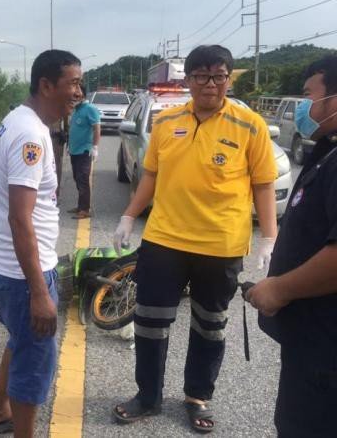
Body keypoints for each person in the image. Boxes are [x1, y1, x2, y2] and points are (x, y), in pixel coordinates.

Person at [111, 45, 278, 433]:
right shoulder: (167, 123)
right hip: (165, 239)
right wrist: (128, 215)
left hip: (220, 246)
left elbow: (264, 185)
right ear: (187, 81)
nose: (210, 85)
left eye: (219, 76)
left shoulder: (249, 124)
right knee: (150, 322)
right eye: (201, 76)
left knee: (210, 325)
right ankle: (147, 396)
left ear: (229, 79)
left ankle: (198, 396)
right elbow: (150, 175)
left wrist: (270, 237)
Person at [0, 50, 83, 438]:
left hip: (14, 271)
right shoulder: (30, 135)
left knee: (21, 344)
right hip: (26, 276)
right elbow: (19, 218)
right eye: (72, 82)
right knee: (35, 362)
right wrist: (40, 291)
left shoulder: (18, 121)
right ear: (46, 85)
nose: (78, 91)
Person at [246, 56, 337, 438]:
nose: (305, 107)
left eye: (309, 96)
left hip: (326, 352)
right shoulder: (329, 151)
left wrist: (278, 289)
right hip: (314, 343)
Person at [67, 86, 100, 218]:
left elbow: (97, 128)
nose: (74, 97)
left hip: (84, 151)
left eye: (77, 95)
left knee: (83, 179)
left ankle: (85, 210)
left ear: (83, 95)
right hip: (74, 151)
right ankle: (81, 206)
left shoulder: (90, 109)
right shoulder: (76, 110)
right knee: (77, 178)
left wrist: (95, 147)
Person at [49, 118, 68, 198]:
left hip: (55, 137)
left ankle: (56, 193)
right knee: (55, 164)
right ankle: (54, 193)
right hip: (52, 135)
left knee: (56, 164)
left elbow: (67, 121)